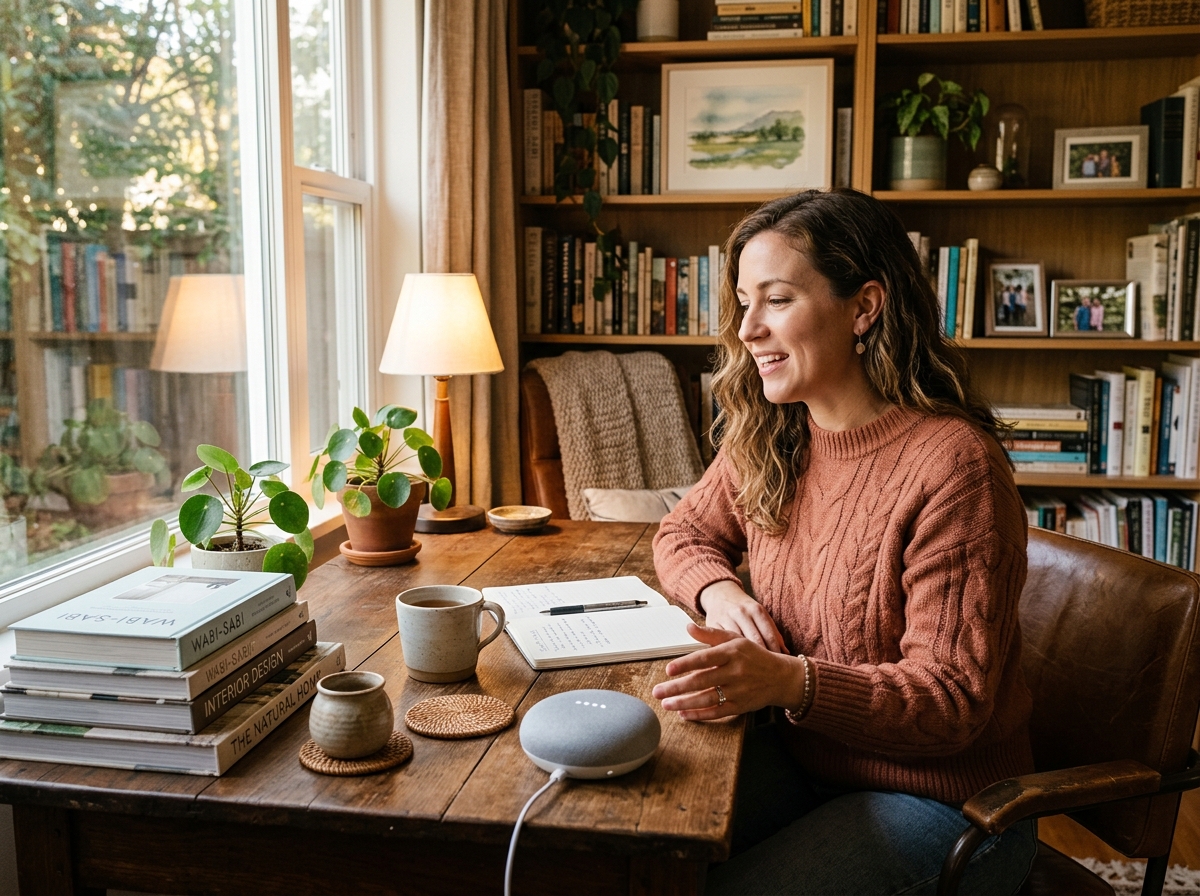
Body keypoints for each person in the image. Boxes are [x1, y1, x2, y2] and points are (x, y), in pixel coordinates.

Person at [651, 189, 1036, 896]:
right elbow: (684, 531)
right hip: (808, 763)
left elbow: (951, 699)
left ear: (864, 307)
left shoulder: (954, 466)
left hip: (948, 807)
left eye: (776, 300)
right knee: (631, 846)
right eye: (743, 302)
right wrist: (719, 591)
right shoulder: (776, 431)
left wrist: (791, 682)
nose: (748, 330)